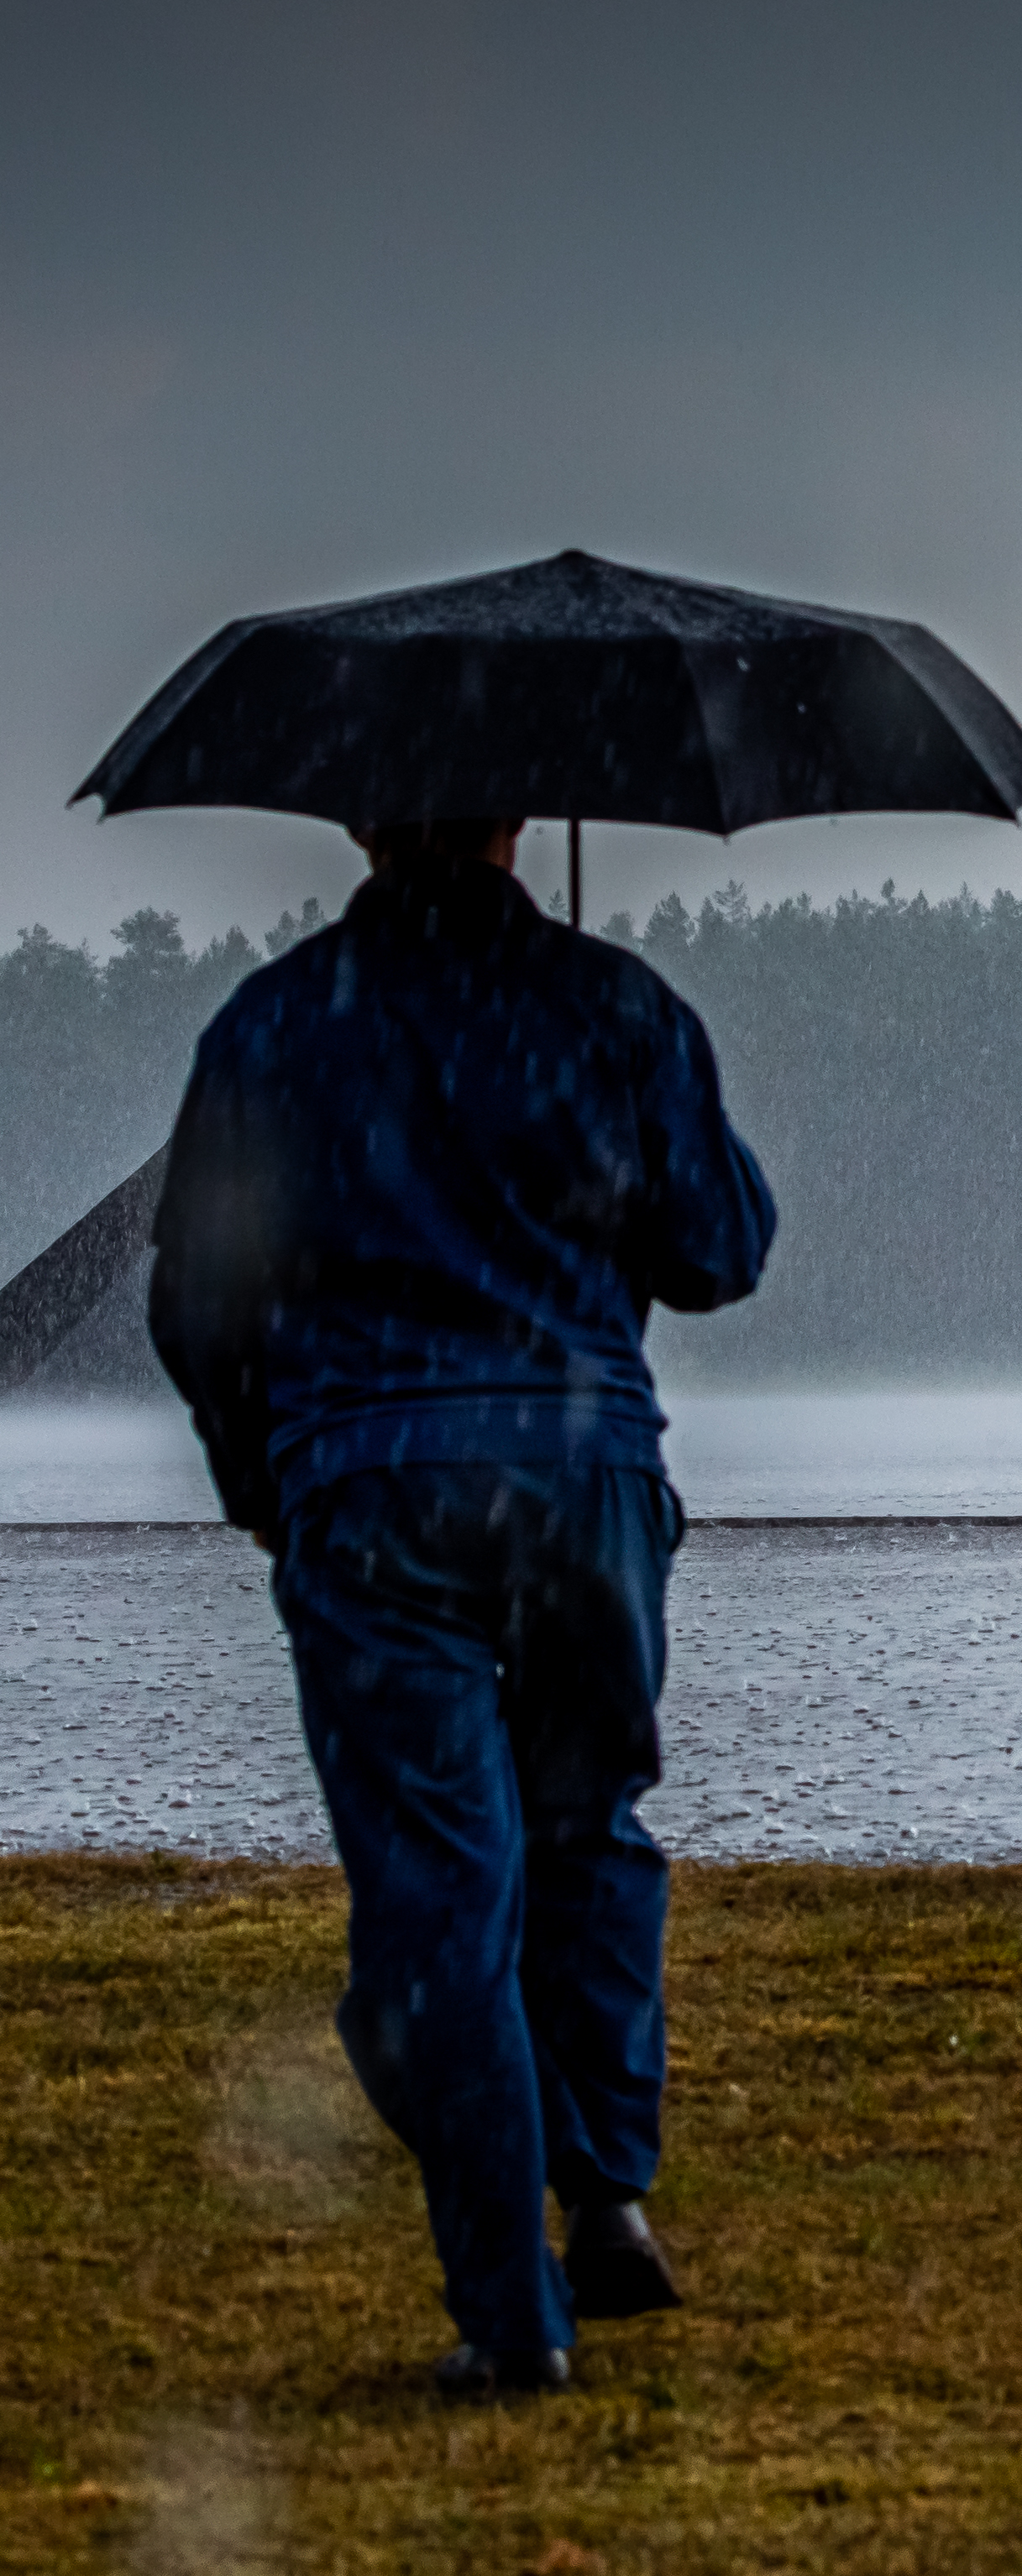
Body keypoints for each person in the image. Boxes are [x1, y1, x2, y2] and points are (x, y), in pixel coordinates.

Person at [150, 816, 774, 2396]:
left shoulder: (274, 1025)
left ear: (358, 823)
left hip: (367, 1483)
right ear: (518, 823)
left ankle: (512, 2317)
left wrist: (266, 1480)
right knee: (589, 1832)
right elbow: (720, 1251)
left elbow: (195, 1307)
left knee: (438, 1901)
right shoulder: (619, 1009)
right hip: (583, 1480)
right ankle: (607, 2183)